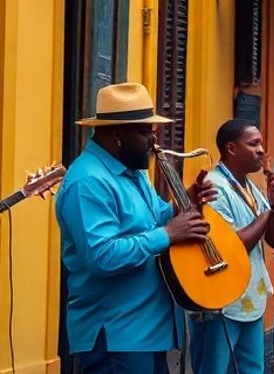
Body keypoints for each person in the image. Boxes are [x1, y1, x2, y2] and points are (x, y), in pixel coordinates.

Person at [56, 82, 215, 374]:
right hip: (116, 334)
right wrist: (168, 234)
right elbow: (102, 255)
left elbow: (155, 219)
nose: (154, 144)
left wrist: (183, 203)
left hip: (147, 329)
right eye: (144, 134)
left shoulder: (133, 173)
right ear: (117, 134)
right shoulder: (88, 182)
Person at [189, 120, 274, 374]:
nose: (261, 151)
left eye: (261, 143)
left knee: (251, 369)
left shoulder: (249, 186)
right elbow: (232, 246)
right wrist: (268, 211)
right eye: (253, 144)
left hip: (250, 297)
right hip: (221, 300)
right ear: (231, 148)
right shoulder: (215, 186)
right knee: (214, 369)